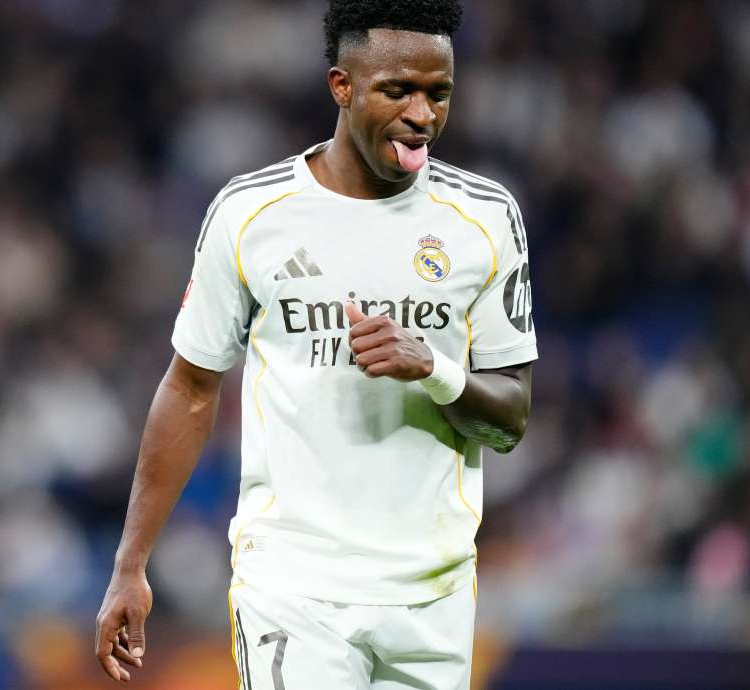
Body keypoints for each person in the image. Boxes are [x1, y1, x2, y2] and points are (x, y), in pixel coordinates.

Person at [94, 1, 536, 687]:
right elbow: (189, 387)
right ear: (343, 87)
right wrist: (131, 565)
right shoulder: (251, 214)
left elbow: (511, 418)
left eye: (438, 92)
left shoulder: (484, 219)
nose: (422, 114)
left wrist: (435, 369)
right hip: (294, 586)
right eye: (399, 90)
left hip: (434, 594)